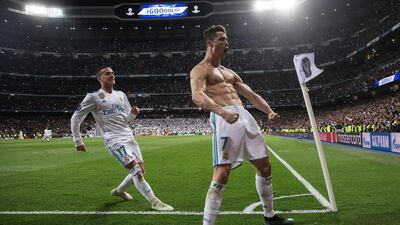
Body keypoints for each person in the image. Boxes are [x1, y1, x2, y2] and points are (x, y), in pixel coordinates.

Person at [190, 25, 294, 225]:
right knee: (222, 173)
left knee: (264, 166)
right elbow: (197, 96)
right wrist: (222, 112)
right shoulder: (200, 69)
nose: (226, 42)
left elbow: (252, 95)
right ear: (210, 44)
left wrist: (269, 111)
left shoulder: (229, 72)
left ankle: (270, 217)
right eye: (221, 39)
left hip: (244, 115)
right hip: (224, 116)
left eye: (227, 39)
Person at [70, 66, 173, 211]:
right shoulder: (93, 97)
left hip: (129, 137)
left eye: (112, 73)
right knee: (136, 170)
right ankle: (154, 201)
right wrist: (78, 141)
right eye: (107, 74)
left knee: (141, 170)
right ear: (100, 79)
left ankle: (119, 191)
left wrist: (134, 113)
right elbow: (76, 117)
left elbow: (127, 119)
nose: (112, 75)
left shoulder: (121, 95)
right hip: (114, 140)